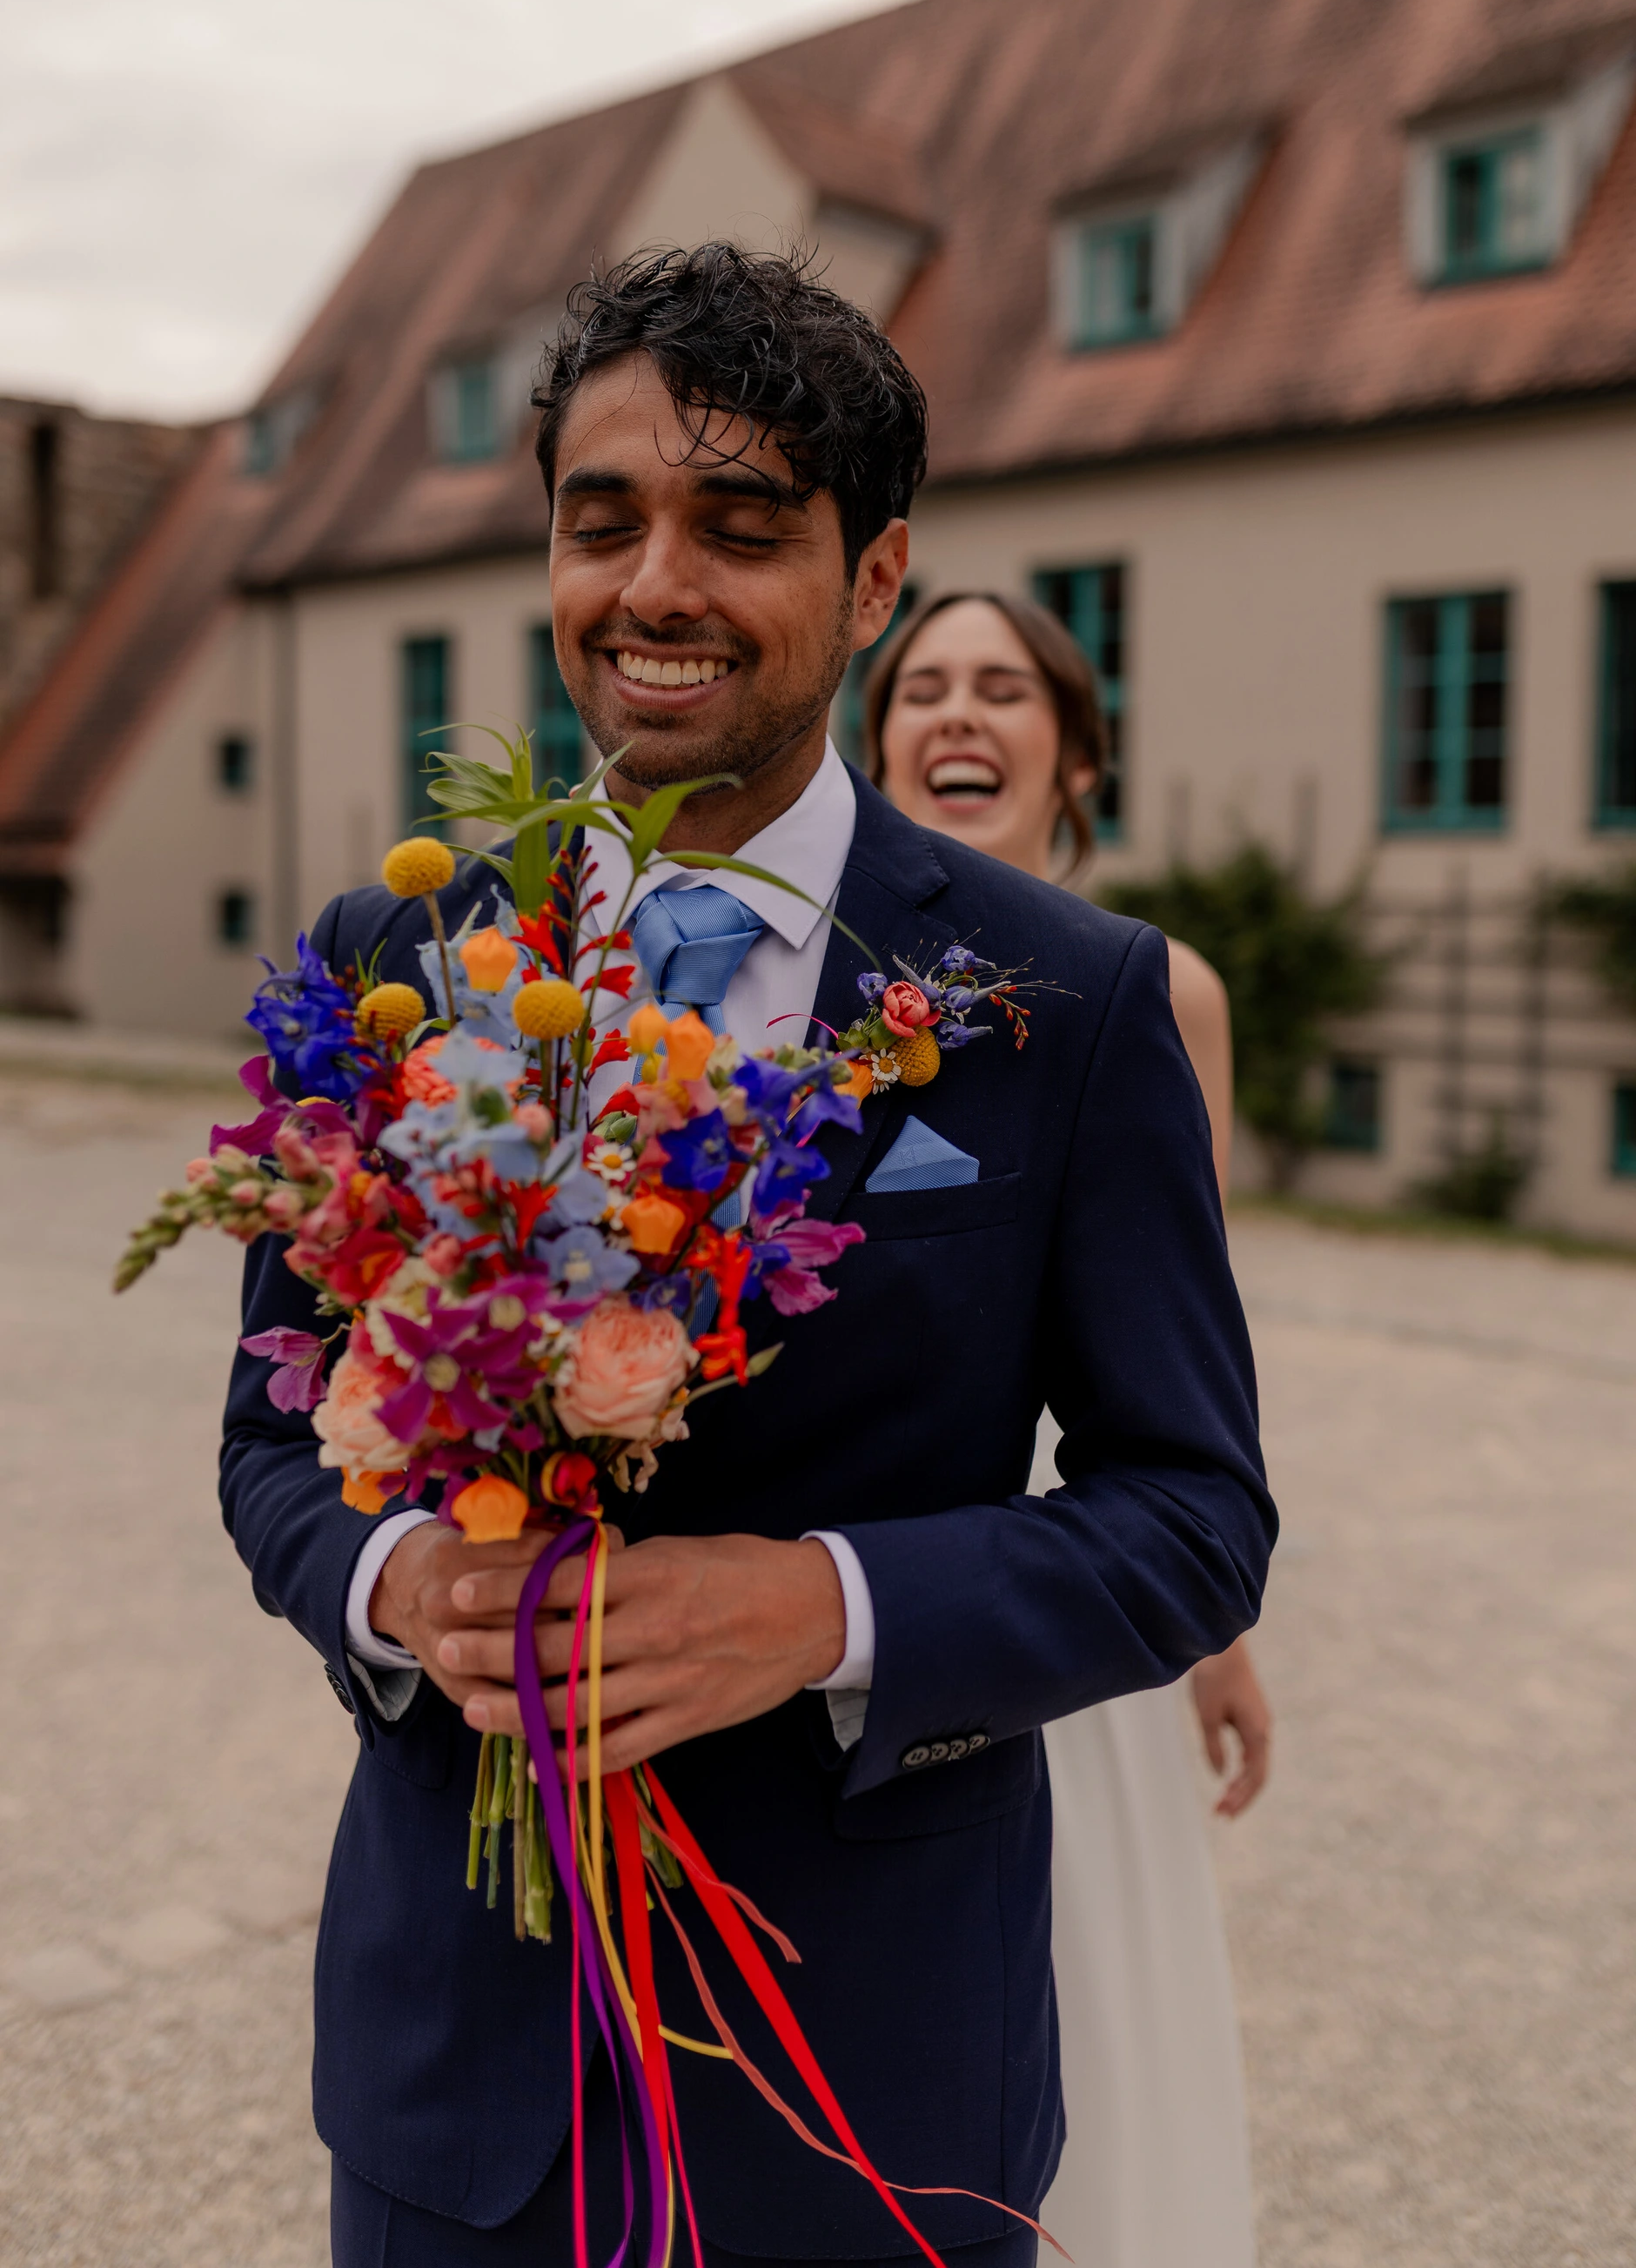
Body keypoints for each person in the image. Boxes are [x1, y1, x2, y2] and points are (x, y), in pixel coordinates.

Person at [220, 245, 1275, 2268]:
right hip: (461, 2066)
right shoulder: (399, 959)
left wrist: (825, 1608)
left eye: (742, 525)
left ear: (872, 581)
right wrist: (397, 1575)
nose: (652, 588)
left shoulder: (1067, 1000)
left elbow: (1192, 1521)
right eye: (599, 521)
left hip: (873, 2083)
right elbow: (269, 1451)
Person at [868, 590, 1271, 2267]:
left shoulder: (1162, 997)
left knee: (1079, 2026)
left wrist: (1229, 1634)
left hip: (1066, 1609)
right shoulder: (809, 993)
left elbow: (1188, 1366)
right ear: (875, 746)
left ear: (1075, 753)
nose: (961, 717)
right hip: (866, 1573)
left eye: (1006, 691)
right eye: (926, 690)